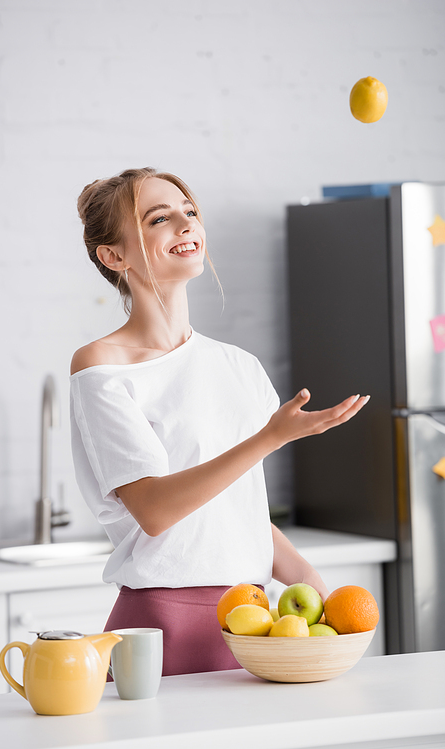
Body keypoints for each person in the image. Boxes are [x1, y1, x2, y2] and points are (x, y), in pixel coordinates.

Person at [70, 167, 369, 676]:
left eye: (190, 212)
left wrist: (326, 598)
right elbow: (156, 511)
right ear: (113, 256)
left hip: (256, 621)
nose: (185, 225)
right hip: (159, 624)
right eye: (159, 218)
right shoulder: (100, 366)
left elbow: (240, 512)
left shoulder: (239, 366)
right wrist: (269, 438)